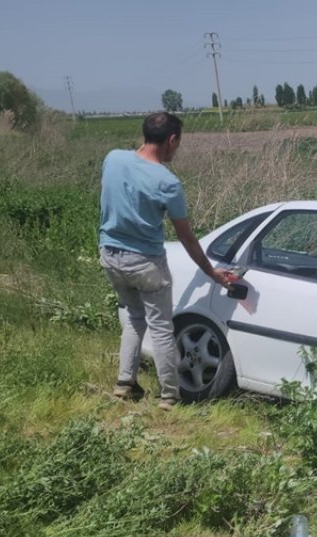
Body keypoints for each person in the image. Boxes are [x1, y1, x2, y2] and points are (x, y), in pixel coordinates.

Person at [98, 112, 234, 410]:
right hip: (145, 262)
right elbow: (186, 237)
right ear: (171, 140)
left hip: (109, 255)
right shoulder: (168, 183)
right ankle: (169, 395)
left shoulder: (113, 159)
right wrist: (212, 272)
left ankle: (125, 383)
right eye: (178, 143)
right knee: (160, 327)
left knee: (135, 318)